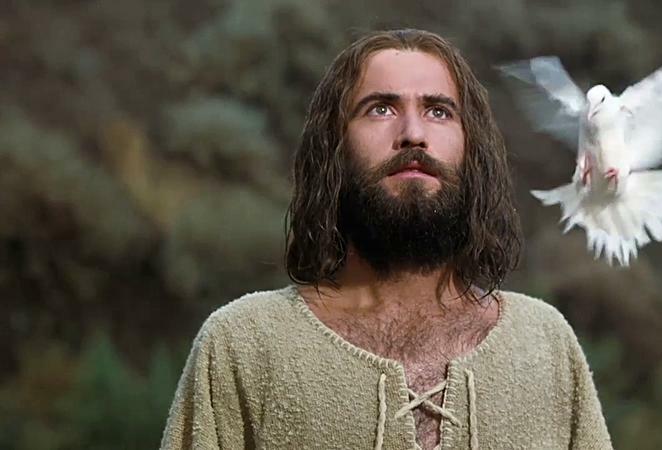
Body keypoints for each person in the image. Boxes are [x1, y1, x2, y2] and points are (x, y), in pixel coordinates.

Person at [160, 28, 612, 450]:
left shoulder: (544, 344)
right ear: (334, 146)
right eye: (381, 108)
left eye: (438, 111)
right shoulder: (244, 344)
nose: (413, 134)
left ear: (471, 148)